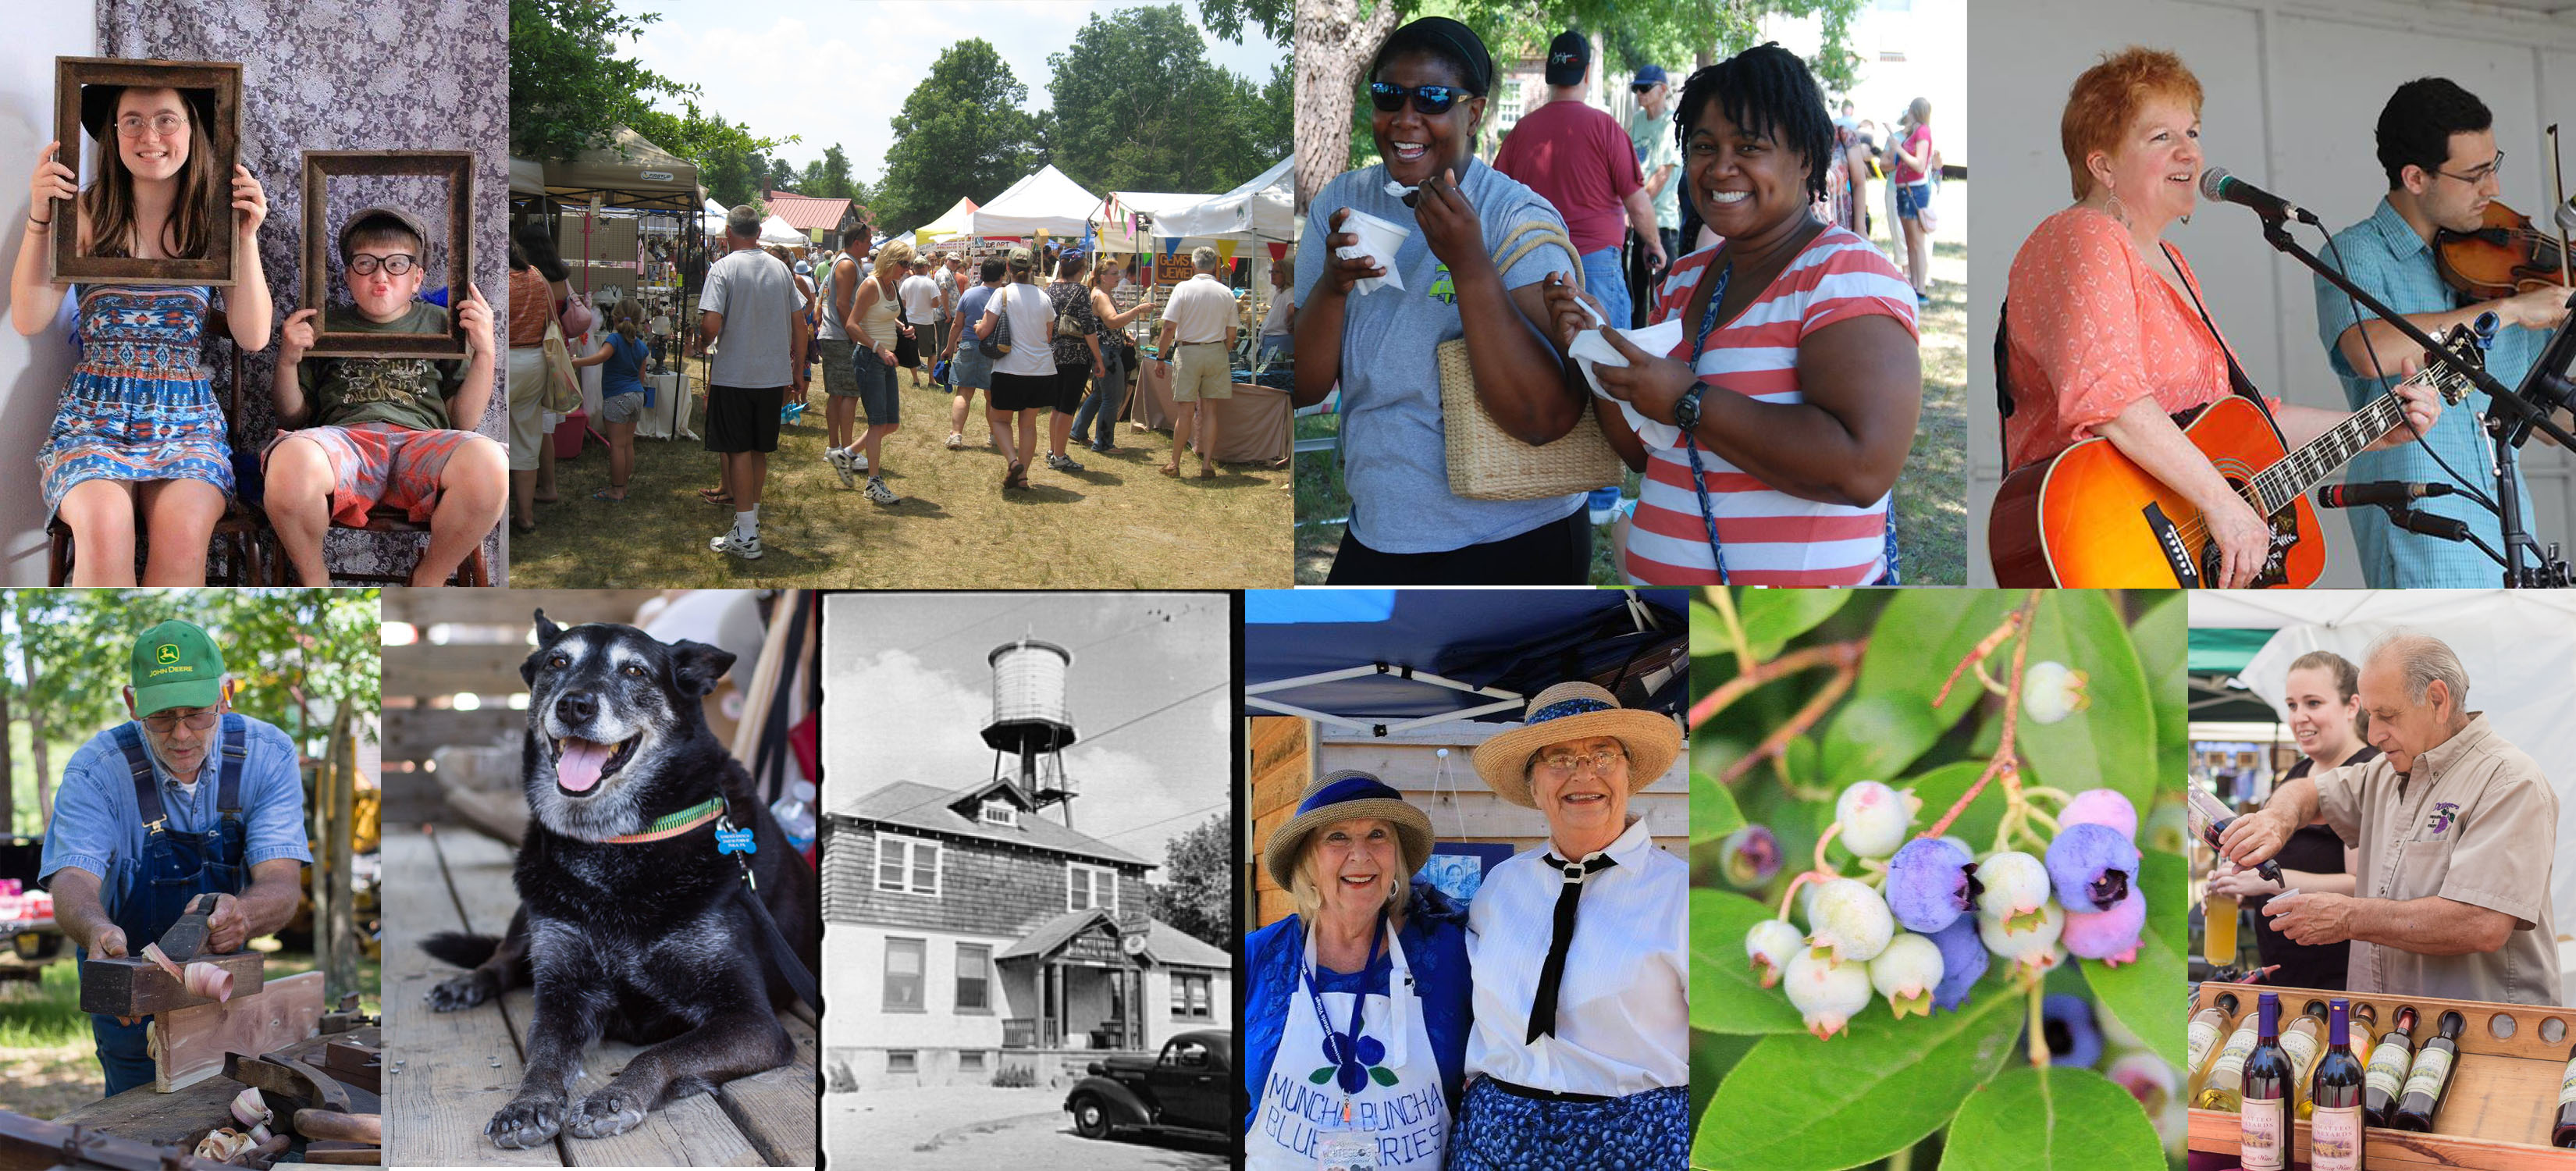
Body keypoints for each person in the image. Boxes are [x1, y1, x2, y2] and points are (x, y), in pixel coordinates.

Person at [1999, 48, 2446, 588]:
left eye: (2192, 132)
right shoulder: (2085, 236)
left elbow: (2242, 422)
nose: (2189, 152)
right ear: (2103, 165)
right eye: (2161, 137)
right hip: (2105, 538)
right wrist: (2221, 501)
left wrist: (2378, 430)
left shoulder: (2171, 263)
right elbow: (2110, 400)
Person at [1546, 45, 1920, 586]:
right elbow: (1646, 452)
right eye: (1704, 146)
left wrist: (1690, 399)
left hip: (1788, 639)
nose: (1721, 166)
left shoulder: (1844, 274)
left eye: (1750, 146)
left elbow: (1861, 467)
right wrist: (1597, 349)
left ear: (1806, 160)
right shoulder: (1685, 279)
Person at [1295, 17, 1595, 583]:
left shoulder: (1514, 217)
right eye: (1389, 96)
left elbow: (1543, 417)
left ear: (1474, 113)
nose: (1406, 120)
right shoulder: (1341, 203)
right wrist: (1333, 287)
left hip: (1516, 535)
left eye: (1432, 99)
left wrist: (1469, 263)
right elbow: (1306, 388)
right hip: (1381, 528)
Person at [2316, 78, 2575, 587]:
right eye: (2475, 175)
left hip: (2508, 537)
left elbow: (2546, 422)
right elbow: (2371, 350)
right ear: (2415, 178)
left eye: (2493, 166)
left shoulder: (2510, 271)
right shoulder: (2356, 253)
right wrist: (2512, 310)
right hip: (2422, 533)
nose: (2494, 189)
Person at [12, 85, 274, 585]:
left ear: (193, 131)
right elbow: (29, 317)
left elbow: (254, 335)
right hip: (93, 416)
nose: (149, 136)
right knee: (105, 530)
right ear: (113, 133)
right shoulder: (87, 213)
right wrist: (41, 218)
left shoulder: (212, 222)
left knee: (182, 536)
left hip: (186, 419)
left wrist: (247, 237)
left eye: (166, 120)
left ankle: (168, 664)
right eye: (132, 120)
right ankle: (110, 662)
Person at [39, 620, 309, 1097]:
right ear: (132, 703)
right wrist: (97, 930)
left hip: (221, 987)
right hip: (132, 997)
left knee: (231, 1114)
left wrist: (242, 914)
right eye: (162, 716)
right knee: (136, 1121)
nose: (181, 734)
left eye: (197, 714)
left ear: (225, 695)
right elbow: (72, 882)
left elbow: (283, 884)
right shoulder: (95, 771)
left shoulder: (268, 755)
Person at [2223, 632, 2560, 1005]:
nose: (2373, 734)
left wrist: (2348, 918)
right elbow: (2308, 791)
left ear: (2437, 700)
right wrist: (2276, 818)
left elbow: (2481, 924)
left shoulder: (2509, 780)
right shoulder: (2385, 771)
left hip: (2484, 1038)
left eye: (2386, 715)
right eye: (2370, 716)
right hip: (2382, 1031)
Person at [1455, 682, 1688, 1168]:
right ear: (1534, 785)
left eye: (1603, 754)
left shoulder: (1681, 894)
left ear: (1629, 774)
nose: (1584, 772)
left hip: (1635, 1144)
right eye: (1558, 758)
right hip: (1496, 1140)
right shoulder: (1500, 888)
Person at [264, 207, 503, 586]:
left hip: (422, 444)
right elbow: (293, 417)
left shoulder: (440, 325)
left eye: (396, 265)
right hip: (343, 444)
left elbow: (464, 421)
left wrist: (486, 352)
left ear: (417, 278)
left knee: (490, 462)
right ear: (347, 275)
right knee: (289, 460)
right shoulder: (323, 325)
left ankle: (427, 581)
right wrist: (288, 360)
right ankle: (316, 580)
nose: (380, 277)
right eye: (365, 264)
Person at [1243, 771, 1469, 1169]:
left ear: (1396, 855)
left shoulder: (1452, 951)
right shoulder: (1256, 957)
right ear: (1308, 861)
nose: (1361, 855)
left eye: (1378, 835)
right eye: (1337, 837)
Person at [2209, 650, 2371, 991]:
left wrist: (2268, 883)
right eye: (2293, 705)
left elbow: (2363, 886)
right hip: (2281, 973)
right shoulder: (2297, 774)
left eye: (2313, 703)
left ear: (2352, 706)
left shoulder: (2367, 775)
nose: (2300, 717)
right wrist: (2237, 887)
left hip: (2337, 980)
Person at [1493, 30, 1666, 331]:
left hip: (1533, 267)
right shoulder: (1606, 129)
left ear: (1549, 72)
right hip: (1595, 265)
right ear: (1587, 72)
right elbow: (1637, 205)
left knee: (1542, 365)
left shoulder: (1520, 132)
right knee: (1607, 365)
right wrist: (1654, 244)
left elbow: (1495, 200)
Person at [695, 205, 808, 559]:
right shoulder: (781, 269)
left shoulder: (723, 268)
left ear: (728, 233)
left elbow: (711, 325)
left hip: (736, 375)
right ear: (758, 233)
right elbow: (800, 324)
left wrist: (700, 341)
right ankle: (749, 523)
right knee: (758, 450)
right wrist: (798, 371)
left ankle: (746, 534)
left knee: (738, 450)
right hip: (772, 376)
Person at [505, 222, 586, 535]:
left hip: (503, 361)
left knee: (486, 438)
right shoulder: (538, 276)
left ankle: (493, 514)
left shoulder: (497, 279)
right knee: (527, 440)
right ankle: (525, 517)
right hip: (536, 361)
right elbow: (550, 321)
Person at [838, 238, 911, 506]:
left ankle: (846, 454)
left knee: (890, 424)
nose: (908, 268)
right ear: (891, 261)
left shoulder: (891, 284)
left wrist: (901, 326)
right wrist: (879, 347)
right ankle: (873, 483)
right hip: (870, 358)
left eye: (909, 264)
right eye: (904, 263)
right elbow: (852, 324)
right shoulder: (870, 285)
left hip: (885, 359)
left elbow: (883, 313)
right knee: (877, 423)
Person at [1156, 246, 1237, 479]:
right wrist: (1223, 351)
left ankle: (1175, 463)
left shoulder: (1183, 288)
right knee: (1210, 410)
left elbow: (1169, 327)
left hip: (1189, 351)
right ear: (1214, 267)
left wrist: (1161, 357)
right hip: (1216, 351)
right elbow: (1231, 334)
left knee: (1185, 411)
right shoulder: (1226, 292)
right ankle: (1207, 465)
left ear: (1193, 265)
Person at [978, 245, 1055, 490]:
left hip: (1009, 368)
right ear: (1032, 269)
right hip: (1041, 369)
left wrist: (978, 326)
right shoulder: (1044, 297)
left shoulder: (1002, 295)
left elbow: (984, 332)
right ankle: (1022, 477)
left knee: (999, 420)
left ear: (1008, 269)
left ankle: (1013, 461)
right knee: (1029, 424)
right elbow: (1049, 336)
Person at [566, 297, 652, 503]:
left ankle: (616, 490)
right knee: (628, 444)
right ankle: (624, 485)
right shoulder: (641, 346)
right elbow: (641, 378)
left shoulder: (613, 340)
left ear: (615, 319)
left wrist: (575, 363)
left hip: (617, 398)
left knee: (617, 446)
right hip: (637, 397)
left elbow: (601, 357)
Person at [1073, 257, 1151, 454]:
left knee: (1099, 395)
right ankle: (1104, 443)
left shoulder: (1100, 293)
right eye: (1114, 273)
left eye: (1118, 273)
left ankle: (1078, 431)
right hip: (1108, 354)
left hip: (1104, 350)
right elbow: (1112, 321)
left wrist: (1124, 338)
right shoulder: (1102, 297)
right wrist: (1138, 309)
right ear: (1102, 277)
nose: (1119, 276)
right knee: (1112, 398)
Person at [1042, 251, 1105, 473]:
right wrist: (1098, 358)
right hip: (1076, 356)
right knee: (1067, 408)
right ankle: (1059, 456)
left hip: (1053, 353)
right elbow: (1089, 328)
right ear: (1081, 269)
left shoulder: (1049, 289)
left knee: (1057, 407)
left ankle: (1053, 450)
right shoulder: (1080, 291)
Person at [813, 239, 866, 480]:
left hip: (833, 335)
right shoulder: (847, 265)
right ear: (857, 242)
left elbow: (824, 301)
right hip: (841, 337)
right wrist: (854, 333)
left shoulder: (839, 263)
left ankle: (834, 448)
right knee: (849, 394)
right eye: (868, 241)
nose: (871, 245)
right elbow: (842, 304)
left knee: (838, 394)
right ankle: (846, 452)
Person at [941, 258, 1006, 450]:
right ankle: (994, 435)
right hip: (995, 350)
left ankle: (955, 435)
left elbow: (957, 324)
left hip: (969, 346)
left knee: (963, 393)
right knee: (992, 396)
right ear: (1002, 275)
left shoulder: (969, 294)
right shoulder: (1006, 296)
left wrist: (948, 347)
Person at [1627, 64, 1684, 269]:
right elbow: (1628, 165)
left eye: (1645, 88)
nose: (1639, 94)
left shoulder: (1671, 124)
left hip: (1661, 223)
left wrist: (1635, 206)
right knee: (1637, 294)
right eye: (1636, 89)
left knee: (1660, 293)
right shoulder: (1637, 120)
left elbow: (1662, 175)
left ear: (1662, 89)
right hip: (1637, 220)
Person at [1888, 98, 1936, 301]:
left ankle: (1920, 289)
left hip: (1914, 190)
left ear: (1915, 111)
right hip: (1905, 190)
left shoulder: (1923, 132)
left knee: (1916, 242)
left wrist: (1898, 149)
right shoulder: (1915, 132)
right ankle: (1915, 285)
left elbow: (1919, 164)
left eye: (1909, 109)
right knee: (1911, 241)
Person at [899, 257, 943, 390]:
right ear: (925, 267)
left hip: (910, 320)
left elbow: (902, 302)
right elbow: (935, 303)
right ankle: (931, 381)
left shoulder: (907, 282)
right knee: (931, 352)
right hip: (926, 321)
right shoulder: (930, 283)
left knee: (912, 352)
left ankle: (916, 380)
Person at [1256, 258, 1295, 367]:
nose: (1272, 274)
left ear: (1286, 274)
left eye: (1277, 272)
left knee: (1274, 374)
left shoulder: (1290, 292)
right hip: (1272, 341)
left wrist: (1290, 324)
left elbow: (1292, 310)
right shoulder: (1280, 293)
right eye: (1271, 271)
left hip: (1280, 341)